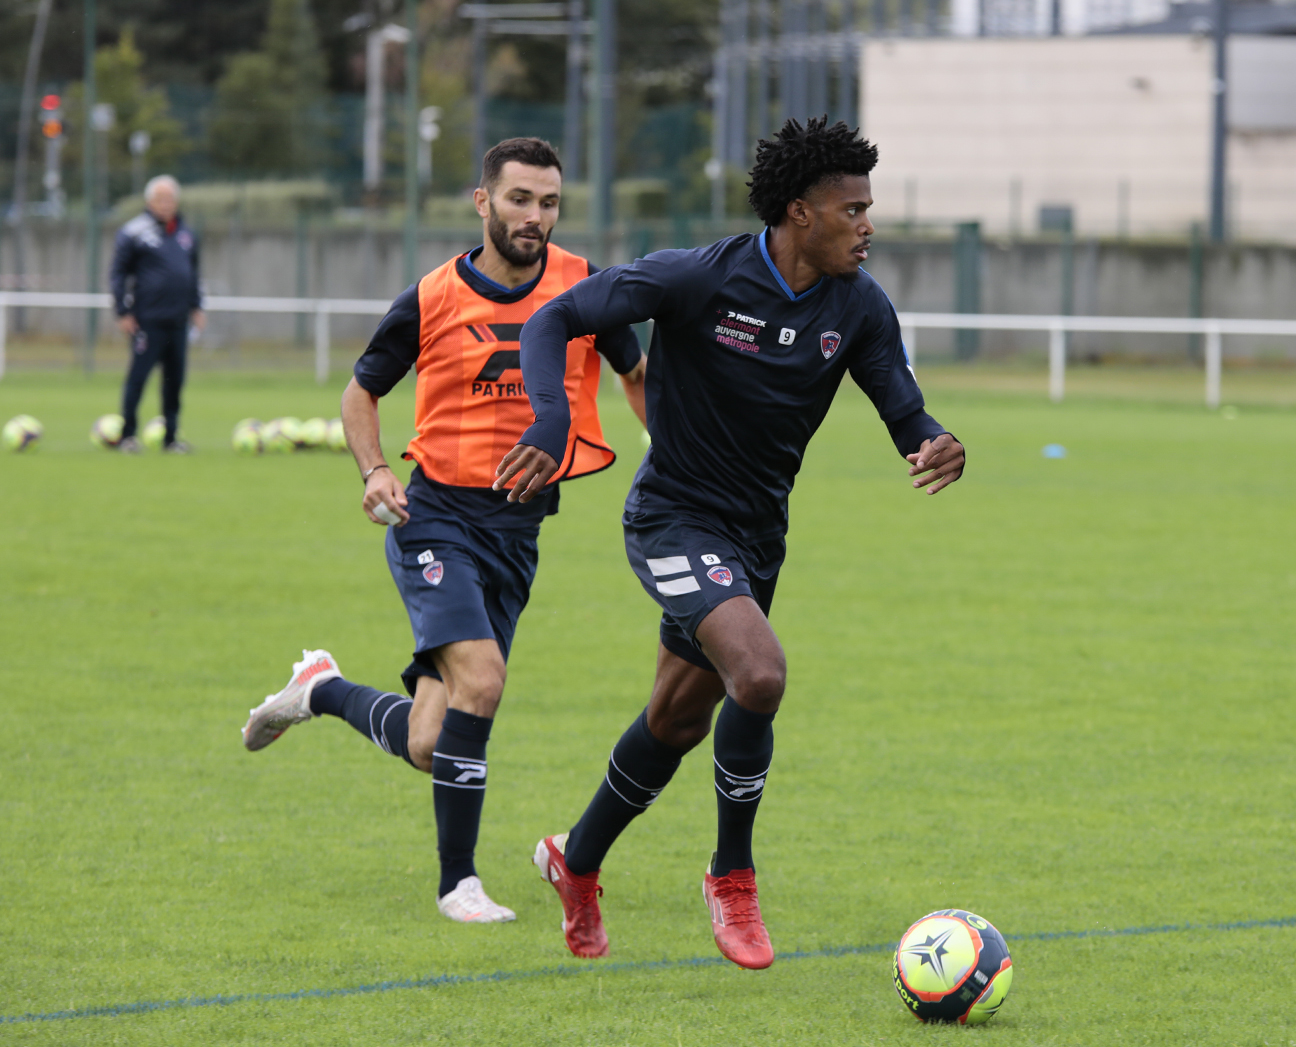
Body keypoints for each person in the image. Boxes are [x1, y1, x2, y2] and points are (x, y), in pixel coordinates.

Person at [495, 117, 966, 968]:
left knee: (676, 719)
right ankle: (732, 877)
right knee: (761, 673)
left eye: (869, 208)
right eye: (852, 209)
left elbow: (904, 410)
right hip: (674, 517)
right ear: (800, 213)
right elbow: (554, 318)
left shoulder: (859, 306)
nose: (868, 225)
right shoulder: (697, 279)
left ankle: (577, 858)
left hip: (756, 540)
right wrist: (553, 416)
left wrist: (934, 442)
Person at [240, 137, 648, 923]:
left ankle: (319, 691)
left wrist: (668, 452)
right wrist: (374, 472)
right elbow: (361, 395)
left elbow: (635, 373)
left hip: (518, 534)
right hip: (435, 518)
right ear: (482, 201)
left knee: (432, 743)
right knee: (484, 682)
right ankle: (457, 883)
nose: (535, 216)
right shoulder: (431, 297)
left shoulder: (585, 287)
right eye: (520, 199)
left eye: (550, 202)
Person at [109, 175, 205, 453]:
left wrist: (196, 306)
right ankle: (127, 436)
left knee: (175, 382)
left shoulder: (186, 234)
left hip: (178, 320)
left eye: (170, 199)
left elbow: (193, 273)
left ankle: (171, 438)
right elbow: (118, 274)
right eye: (160, 199)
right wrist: (122, 311)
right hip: (147, 320)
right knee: (138, 378)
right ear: (149, 201)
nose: (166, 204)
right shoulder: (134, 232)